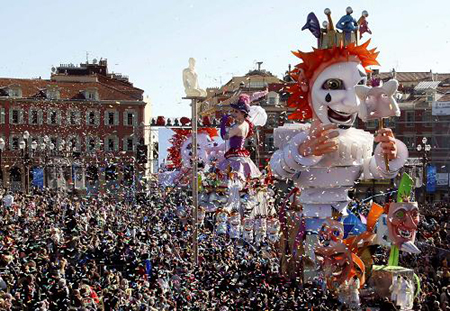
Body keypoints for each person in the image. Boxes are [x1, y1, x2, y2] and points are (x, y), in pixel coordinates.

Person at [218, 94, 261, 180]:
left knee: (231, 176)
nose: (233, 113)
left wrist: (222, 124)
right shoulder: (246, 124)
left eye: (236, 112)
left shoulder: (238, 127)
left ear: (243, 113)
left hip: (235, 156)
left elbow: (224, 136)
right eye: (233, 111)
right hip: (241, 154)